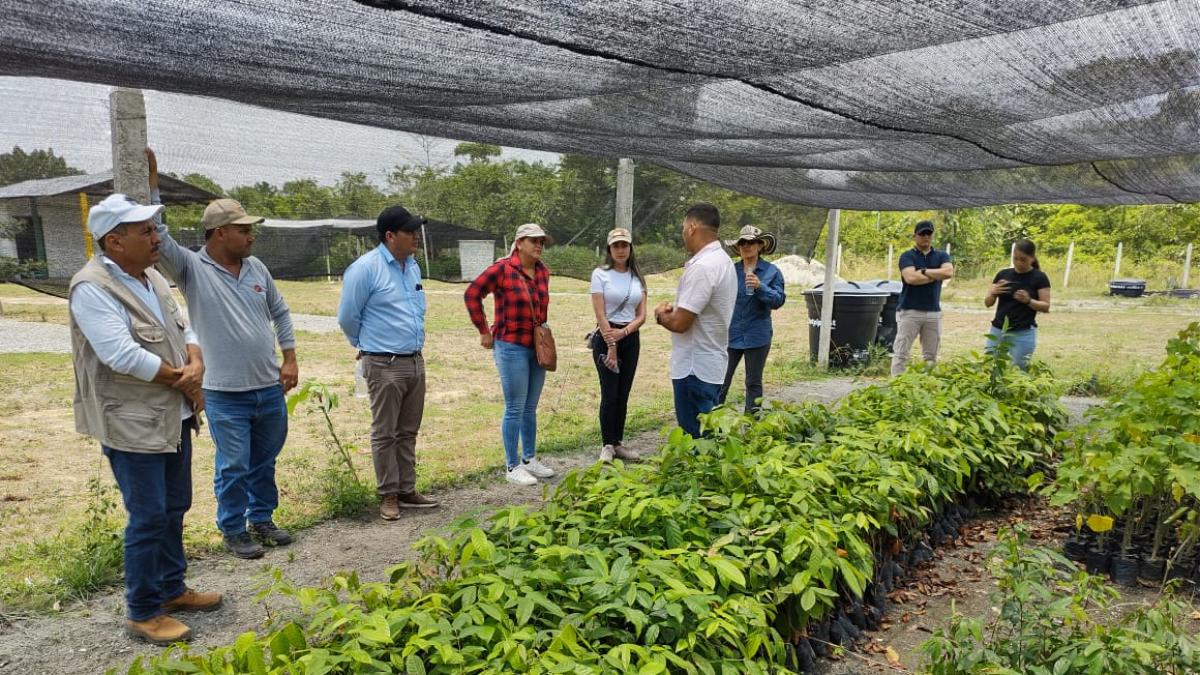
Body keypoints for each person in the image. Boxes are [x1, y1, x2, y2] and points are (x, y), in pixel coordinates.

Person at [69, 193, 220, 645]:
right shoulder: (92, 287)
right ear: (115, 242)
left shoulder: (150, 276)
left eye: (155, 229)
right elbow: (120, 355)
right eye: (146, 231)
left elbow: (183, 325)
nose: (157, 238)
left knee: (175, 506)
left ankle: (171, 589)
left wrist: (194, 362)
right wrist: (184, 379)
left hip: (171, 413)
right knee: (149, 514)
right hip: (131, 420)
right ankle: (141, 610)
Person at [147, 150, 297, 560]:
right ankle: (233, 528)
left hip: (268, 387)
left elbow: (280, 312)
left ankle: (261, 518)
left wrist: (290, 357)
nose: (251, 236)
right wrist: (152, 185)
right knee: (233, 464)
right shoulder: (191, 268)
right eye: (243, 229)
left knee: (265, 458)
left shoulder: (256, 269)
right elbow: (157, 233)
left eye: (251, 230)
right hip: (224, 391)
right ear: (218, 233)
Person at [338, 206, 440, 519]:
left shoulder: (412, 266)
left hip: (414, 361)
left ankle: (407, 489)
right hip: (384, 364)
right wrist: (365, 346)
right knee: (385, 432)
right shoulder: (365, 268)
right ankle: (388, 494)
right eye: (410, 232)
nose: (416, 237)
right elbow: (347, 317)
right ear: (390, 236)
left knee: (408, 430)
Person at [464, 223, 558, 486]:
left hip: (536, 347)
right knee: (515, 407)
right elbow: (472, 294)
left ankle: (529, 459)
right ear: (519, 243)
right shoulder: (502, 269)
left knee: (530, 407)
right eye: (533, 241)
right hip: (510, 345)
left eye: (541, 241)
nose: (539, 245)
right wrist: (484, 330)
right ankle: (512, 465)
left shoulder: (543, 272)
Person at [653, 203, 737, 438]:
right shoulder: (723, 262)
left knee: (697, 441)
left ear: (691, 227)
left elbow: (680, 323)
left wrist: (661, 314)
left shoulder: (702, 268)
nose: (683, 235)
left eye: (683, 229)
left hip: (693, 369)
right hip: (711, 363)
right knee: (710, 435)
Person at [589, 228, 647, 463]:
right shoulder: (600, 274)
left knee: (623, 394)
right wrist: (611, 343)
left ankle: (618, 442)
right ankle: (606, 445)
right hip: (606, 336)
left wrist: (624, 333)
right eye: (616, 246)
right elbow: (600, 313)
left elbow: (641, 315)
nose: (620, 250)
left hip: (630, 337)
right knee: (609, 394)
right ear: (609, 249)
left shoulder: (637, 277)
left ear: (630, 248)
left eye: (624, 245)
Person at [719, 225, 786, 414]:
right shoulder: (730, 271)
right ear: (738, 247)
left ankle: (752, 425)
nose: (746, 246)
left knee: (753, 382)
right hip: (730, 335)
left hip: (757, 335)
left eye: (750, 242)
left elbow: (778, 301)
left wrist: (760, 286)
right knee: (721, 380)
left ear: (759, 246)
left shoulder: (772, 271)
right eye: (742, 243)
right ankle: (712, 425)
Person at [891, 220, 955, 375]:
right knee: (901, 353)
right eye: (922, 234)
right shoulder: (907, 256)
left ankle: (927, 384)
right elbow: (911, 278)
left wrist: (925, 271)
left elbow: (948, 273)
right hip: (909, 311)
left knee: (931, 356)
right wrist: (935, 275)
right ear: (915, 236)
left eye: (929, 233)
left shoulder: (942, 255)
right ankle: (895, 385)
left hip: (933, 312)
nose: (926, 237)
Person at [984, 239, 1051, 369]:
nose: (1019, 263)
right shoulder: (1003, 274)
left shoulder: (1039, 277)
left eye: (1023, 259)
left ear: (1032, 258)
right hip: (998, 329)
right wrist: (993, 293)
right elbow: (988, 303)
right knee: (990, 367)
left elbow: (1046, 306)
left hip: (1023, 332)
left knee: (1020, 370)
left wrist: (1028, 300)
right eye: (1016, 258)